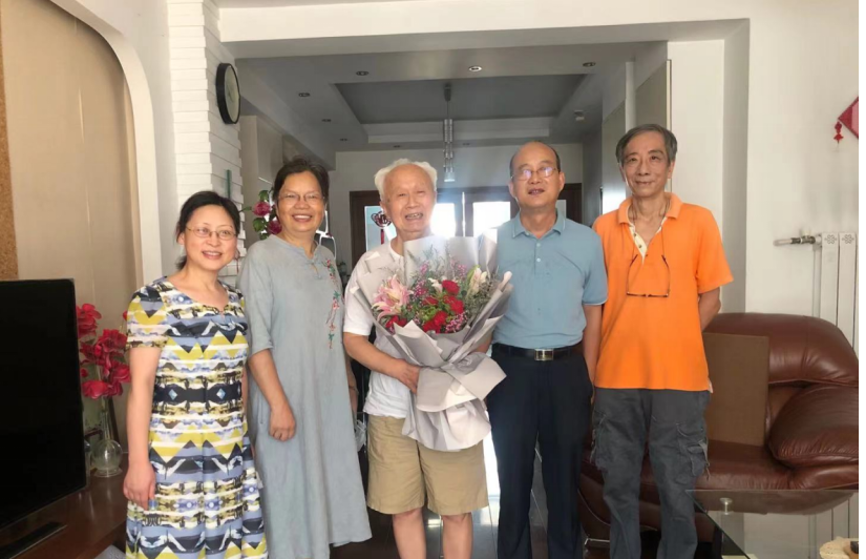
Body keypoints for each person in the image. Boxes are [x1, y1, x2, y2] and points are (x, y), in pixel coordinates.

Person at [592, 124, 733, 559]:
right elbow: (594, 307)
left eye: (654, 158)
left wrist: (679, 336)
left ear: (670, 167)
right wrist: (592, 375)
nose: (643, 168)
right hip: (615, 378)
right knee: (618, 488)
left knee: (677, 488)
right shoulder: (603, 228)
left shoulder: (699, 221)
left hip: (680, 379)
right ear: (622, 169)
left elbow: (712, 297)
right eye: (633, 159)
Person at [343, 159, 488, 560]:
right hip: (391, 407)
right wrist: (402, 370)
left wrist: (460, 362)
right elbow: (353, 339)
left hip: (450, 403)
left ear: (434, 198)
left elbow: (483, 328)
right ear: (384, 206)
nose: (411, 202)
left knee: (456, 509)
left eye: (420, 192)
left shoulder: (460, 258)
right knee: (404, 509)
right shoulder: (370, 265)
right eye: (400, 195)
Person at [123, 191, 268, 559]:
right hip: (172, 457)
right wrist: (138, 463)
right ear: (181, 235)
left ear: (235, 242)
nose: (214, 241)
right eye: (203, 230)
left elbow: (240, 377)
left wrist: (244, 438)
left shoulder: (236, 302)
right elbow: (141, 387)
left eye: (225, 232)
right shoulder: (152, 300)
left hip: (228, 451)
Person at [239, 157, 371, 558]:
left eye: (311, 196)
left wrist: (349, 383)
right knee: (286, 498)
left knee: (319, 497)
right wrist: (278, 405)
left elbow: (333, 327)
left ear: (324, 204)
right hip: (284, 400)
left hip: (326, 401)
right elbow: (256, 339)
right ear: (276, 204)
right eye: (291, 196)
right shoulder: (261, 257)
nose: (302, 205)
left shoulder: (327, 258)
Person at [485, 142, 607, 560]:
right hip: (510, 371)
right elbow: (478, 315)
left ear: (560, 180)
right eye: (524, 171)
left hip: (567, 371)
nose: (534, 178)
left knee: (563, 482)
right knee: (512, 481)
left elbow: (594, 309)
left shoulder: (587, 241)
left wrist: (589, 374)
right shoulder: (492, 242)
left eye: (544, 169)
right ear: (511, 186)